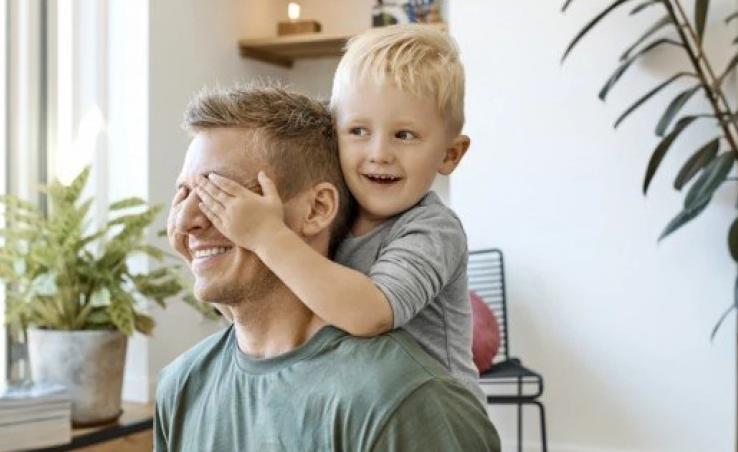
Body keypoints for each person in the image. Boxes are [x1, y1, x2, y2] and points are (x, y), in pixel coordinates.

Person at [156, 84, 499, 451]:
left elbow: (374, 310)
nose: (187, 220)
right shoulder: (180, 387)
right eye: (184, 194)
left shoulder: (400, 403)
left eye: (219, 192)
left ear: (317, 209)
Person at [197, 25, 483, 403]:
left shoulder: (433, 229)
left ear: (450, 154)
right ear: (334, 135)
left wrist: (268, 235)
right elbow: (274, 309)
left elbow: (371, 313)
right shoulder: (333, 216)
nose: (379, 153)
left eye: (404, 135)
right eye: (358, 130)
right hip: (361, 406)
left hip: (433, 417)